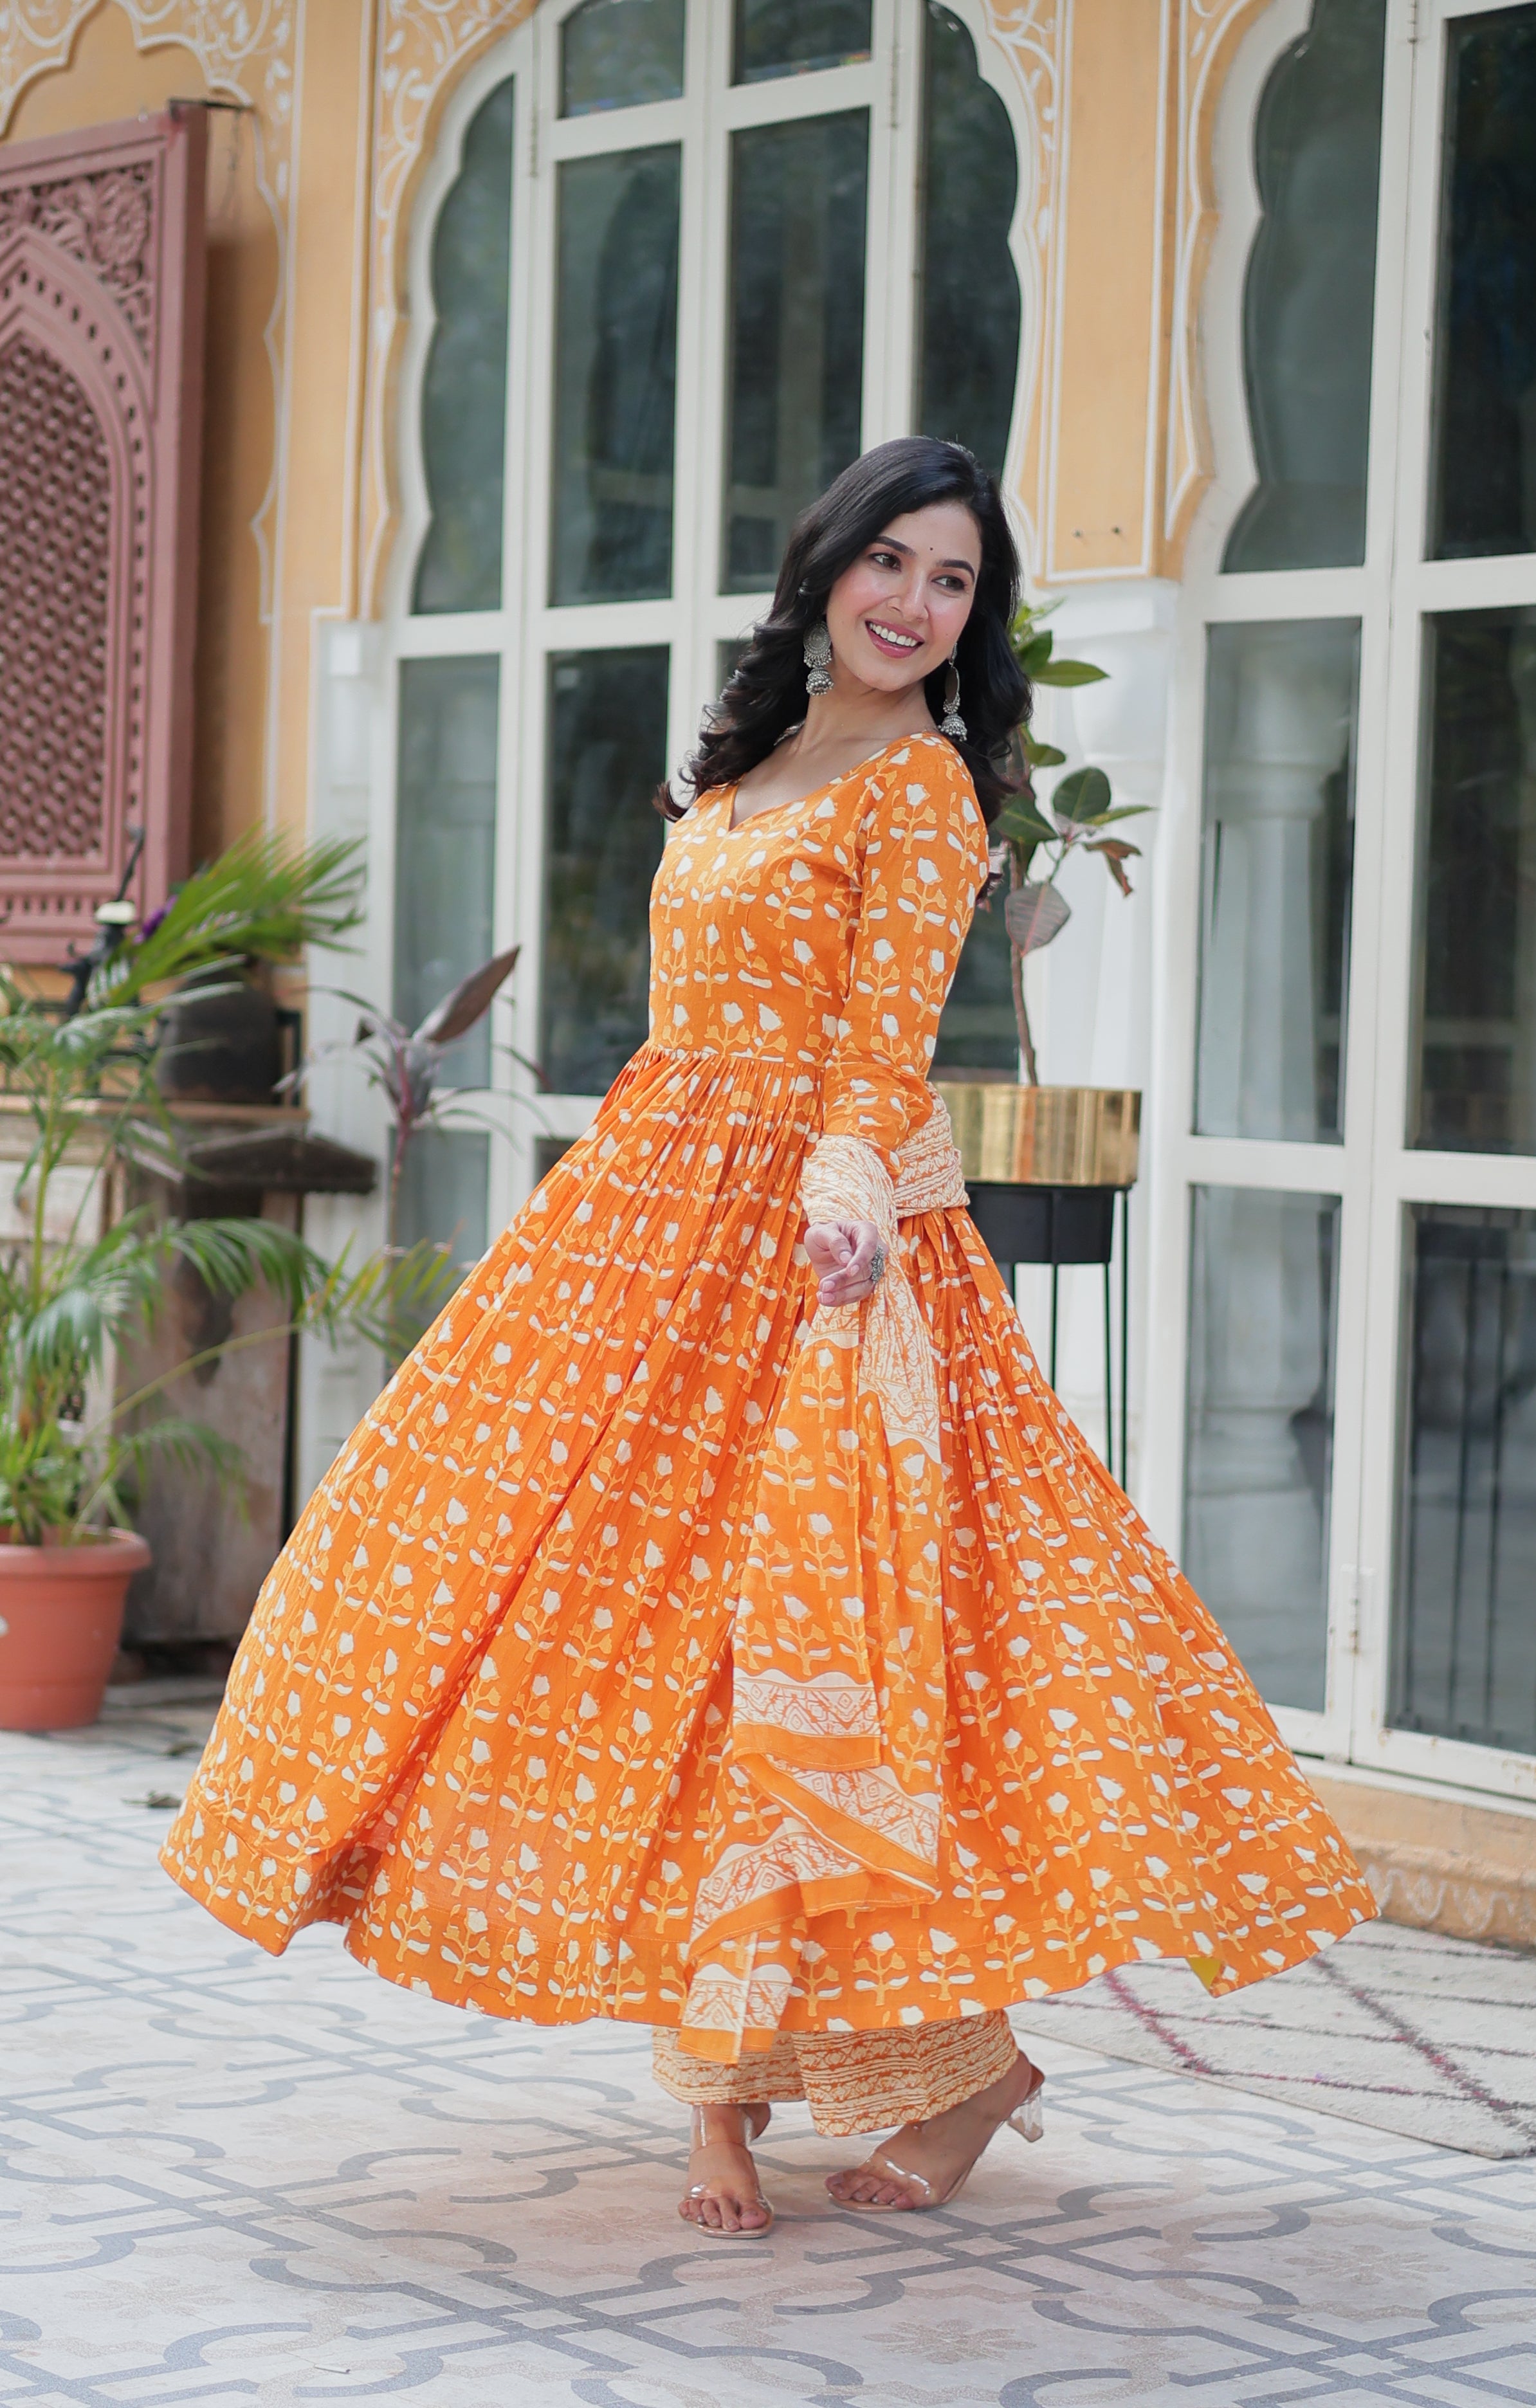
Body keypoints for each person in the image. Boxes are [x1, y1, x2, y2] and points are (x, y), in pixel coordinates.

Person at [163, 437, 1375, 2236]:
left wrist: (841, 1211)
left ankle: (942, 2075)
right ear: (823, 569)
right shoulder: (744, 761)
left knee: (814, 1658)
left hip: (825, 1262)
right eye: (889, 561)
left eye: (952, 581)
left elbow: (882, 1044)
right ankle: (755, 2082)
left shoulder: (926, 788)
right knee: (605, 1635)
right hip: (646, 1224)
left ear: (978, 619)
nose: (911, 602)